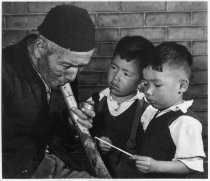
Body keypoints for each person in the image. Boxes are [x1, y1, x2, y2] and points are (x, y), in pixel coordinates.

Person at [2, 5, 96, 178]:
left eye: (81, 66)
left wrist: (70, 123)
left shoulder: (66, 69)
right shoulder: (4, 72)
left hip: (57, 161)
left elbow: (56, 133)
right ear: (40, 48)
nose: (73, 76)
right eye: (66, 65)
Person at [131, 42, 206, 178]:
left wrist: (156, 166)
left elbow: (191, 165)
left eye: (157, 85)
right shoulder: (152, 111)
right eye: (146, 84)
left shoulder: (186, 122)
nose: (148, 91)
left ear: (182, 86)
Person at [88, 36, 155, 178]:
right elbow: (81, 140)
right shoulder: (95, 101)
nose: (116, 77)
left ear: (141, 81)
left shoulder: (147, 111)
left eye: (126, 74)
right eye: (113, 67)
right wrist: (96, 141)